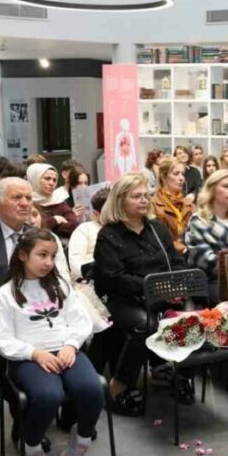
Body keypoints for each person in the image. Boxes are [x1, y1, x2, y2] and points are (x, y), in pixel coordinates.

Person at [0, 177, 69, 447]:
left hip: (39, 315)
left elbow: (55, 277)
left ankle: (68, 413)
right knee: (5, 356)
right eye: (17, 198)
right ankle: (25, 420)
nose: (25, 203)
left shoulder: (37, 236)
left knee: (72, 348)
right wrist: (14, 298)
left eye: (28, 198)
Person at [0, 228, 102, 456]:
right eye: (41, 255)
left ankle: (81, 441)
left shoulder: (60, 285)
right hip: (29, 358)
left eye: (52, 256)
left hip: (65, 351)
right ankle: (32, 447)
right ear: (22, 255)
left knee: (91, 389)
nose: (48, 262)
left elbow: (80, 321)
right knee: (48, 396)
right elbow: (1, 337)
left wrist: (72, 345)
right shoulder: (6, 294)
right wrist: (34, 353)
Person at [93, 173, 188, 413]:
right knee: (145, 326)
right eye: (136, 196)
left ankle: (169, 371)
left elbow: (175, 262)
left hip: (161, 293)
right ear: (120, 201)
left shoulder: (157, 228)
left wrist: (174, 287)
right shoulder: (109, 235)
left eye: (146, 196)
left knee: (193, 318)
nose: (144, 200)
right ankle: (119, 385)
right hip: (122, 297)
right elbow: (114, 278)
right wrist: (156, 288)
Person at [185, 169, 228, 310]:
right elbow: (207, 262)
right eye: (226, 186)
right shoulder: (198, 220)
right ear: (212, 188)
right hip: (213, 280)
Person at [151, 156, 193, 255]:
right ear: (164, 177)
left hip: (189, 255)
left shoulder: (188, 204)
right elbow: (156, 240)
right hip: (167, 257)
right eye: (176, 174)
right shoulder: (153, 204)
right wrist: (183, 249)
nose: (181, 178)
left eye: (182, 174)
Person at [27, 163, 80, 241]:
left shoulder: (59, 200)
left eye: (54, 180)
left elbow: (73, 224)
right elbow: (31, 227)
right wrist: (55, 220)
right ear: (35, 179)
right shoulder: (28, 202)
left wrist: (50, 224)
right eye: (47, 178)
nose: (52, 183)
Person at [68, 189, 108, 281]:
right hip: (93, 280)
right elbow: (76, 264)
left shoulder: (124, 227)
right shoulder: (85, 229)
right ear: (96, 213)